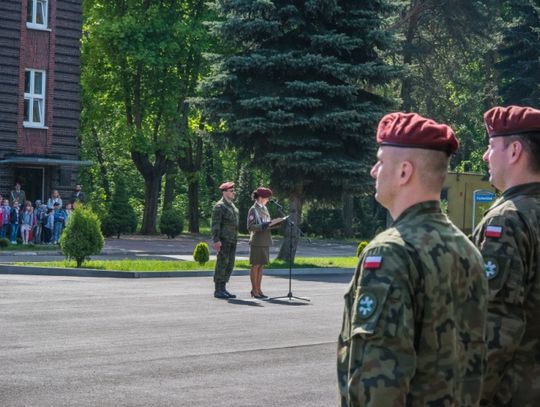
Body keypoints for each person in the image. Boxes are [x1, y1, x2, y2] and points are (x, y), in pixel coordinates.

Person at [337, 112, 488, 406]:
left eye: (380, 162)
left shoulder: (391, 251)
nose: (373, 171)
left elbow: (378, 383)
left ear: (404, 172)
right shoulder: (468, 249)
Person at [472, 105, 540, 406]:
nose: (486, 156)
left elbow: (495, 326)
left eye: (490, 146)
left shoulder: (507, 220)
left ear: (514, 151)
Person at [211, 181, 239, 299]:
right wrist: (216, 240)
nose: (234, 193)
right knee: (222, 263)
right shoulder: (220, 206)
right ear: (224, 192)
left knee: (230, 264)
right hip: (223, 239)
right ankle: (218, 289)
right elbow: (215, 225)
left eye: (233, 191)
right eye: (231, 191)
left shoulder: (232, 206)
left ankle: (223, 288)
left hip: (232, 239)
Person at [247, 187, 275, 299]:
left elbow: (267, 222)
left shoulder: (265, 208)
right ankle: (254, 290)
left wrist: (274, 224)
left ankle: (259, 289)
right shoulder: (253, 209)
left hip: (265, 240)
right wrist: (264, 225)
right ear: (260, 197)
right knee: (255, 265)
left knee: (261, 266)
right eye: (266, 198)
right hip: (257, 241)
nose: (268, 200)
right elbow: (250, 227)